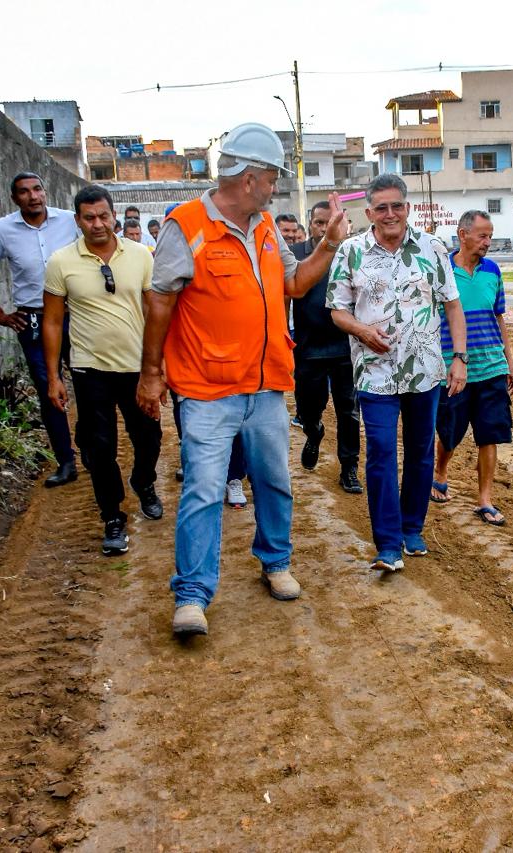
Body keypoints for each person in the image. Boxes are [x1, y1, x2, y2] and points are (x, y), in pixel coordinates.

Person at [136, 122, 350, 638]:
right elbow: (160, 300)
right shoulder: (185, 225)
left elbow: (294, 285)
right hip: (207, 390)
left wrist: (325, 245)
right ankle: (191, 595)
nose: (275, 186)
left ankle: (276, 562)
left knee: (274, 483)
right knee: (204, 491)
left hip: (267, 386)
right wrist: (151, 372)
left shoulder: (265, 227)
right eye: (272, 177)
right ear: (249, 177)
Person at [328, 174, 467, 572]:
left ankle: (412, 529)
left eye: (397, 206)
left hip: (425, 372)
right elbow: (337, 309)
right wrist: (360, 330)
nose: (390, 214)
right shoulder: (351, 252)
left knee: (422, 454)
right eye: (382, 207)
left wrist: (460, 357)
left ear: (408, 208)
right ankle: (387, 544)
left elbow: (452, 305)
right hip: (374, 373)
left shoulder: (432, 248)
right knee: (383, 454)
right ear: (369, 212)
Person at [43, 186, 162, 555]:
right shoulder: (61, 262)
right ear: (77, 220)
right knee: (100, 447)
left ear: (115, 216)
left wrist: (158, 370)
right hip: (89, 370)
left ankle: (144, 481)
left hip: (137, 368)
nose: (98, 224)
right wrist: (53, 377)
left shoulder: (141, 255)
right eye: (89, 218)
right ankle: (112, 517)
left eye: (103, 216)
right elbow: (51, 321)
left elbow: (155, 311)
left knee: (150, 438)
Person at [0, 171, 79, 488]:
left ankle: (93, 448)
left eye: (37, 189)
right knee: (49, 393)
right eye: (24, 192)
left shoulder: (69, 222)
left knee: (89, 384)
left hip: (76, 316)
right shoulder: (3, 230)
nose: (33, 196)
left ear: (45, 192)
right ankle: (66, 462)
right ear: (15, 198)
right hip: (33, 321)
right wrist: (0, 315)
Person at [430, 210, 513, 526]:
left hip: (492, 366)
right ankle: (440, 471)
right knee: (449, 432)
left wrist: (511, 363)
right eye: (482, 236)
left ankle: (485, 500)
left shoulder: (493, 271)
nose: (487, 243)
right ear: (462, 235)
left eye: (490, 236)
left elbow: (499, 318)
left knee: (489, 434)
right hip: (453, 368)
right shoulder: (443, 271)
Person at [291, 201, 362, 493]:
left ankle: (349, 468)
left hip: (346, 346)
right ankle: (314, 431)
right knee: (308, 409)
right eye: (319, 222)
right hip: (308, 348)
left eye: (330, 222)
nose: (324, 228)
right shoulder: (295, 255)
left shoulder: (353, 253)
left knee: (349, 412)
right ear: (310, 223)